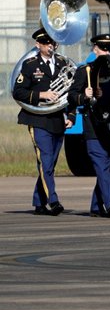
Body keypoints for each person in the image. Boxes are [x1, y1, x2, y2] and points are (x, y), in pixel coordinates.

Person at [14, 27, 71, 216]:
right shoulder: (30, 65)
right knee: (45, 161)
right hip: (37, 119)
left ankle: (38, 201)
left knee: (50, 163)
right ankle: (53, 201)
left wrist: (71, 117)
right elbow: (18, 91)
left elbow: (70, 92)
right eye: (46, 43)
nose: (50, 46)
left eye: (53, 43)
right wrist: (42, 94)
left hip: (57, 119)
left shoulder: (64, 63)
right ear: (38, 45)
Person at [66, 33, 110, 217]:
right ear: (95, 49)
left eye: (109, 48)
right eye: (103, 48)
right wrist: (84, 96)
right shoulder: (85, 71)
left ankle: (96, 206)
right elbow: (71, 96)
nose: (107, 52)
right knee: (101, 166)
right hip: (94, 127)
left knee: (107, 167)